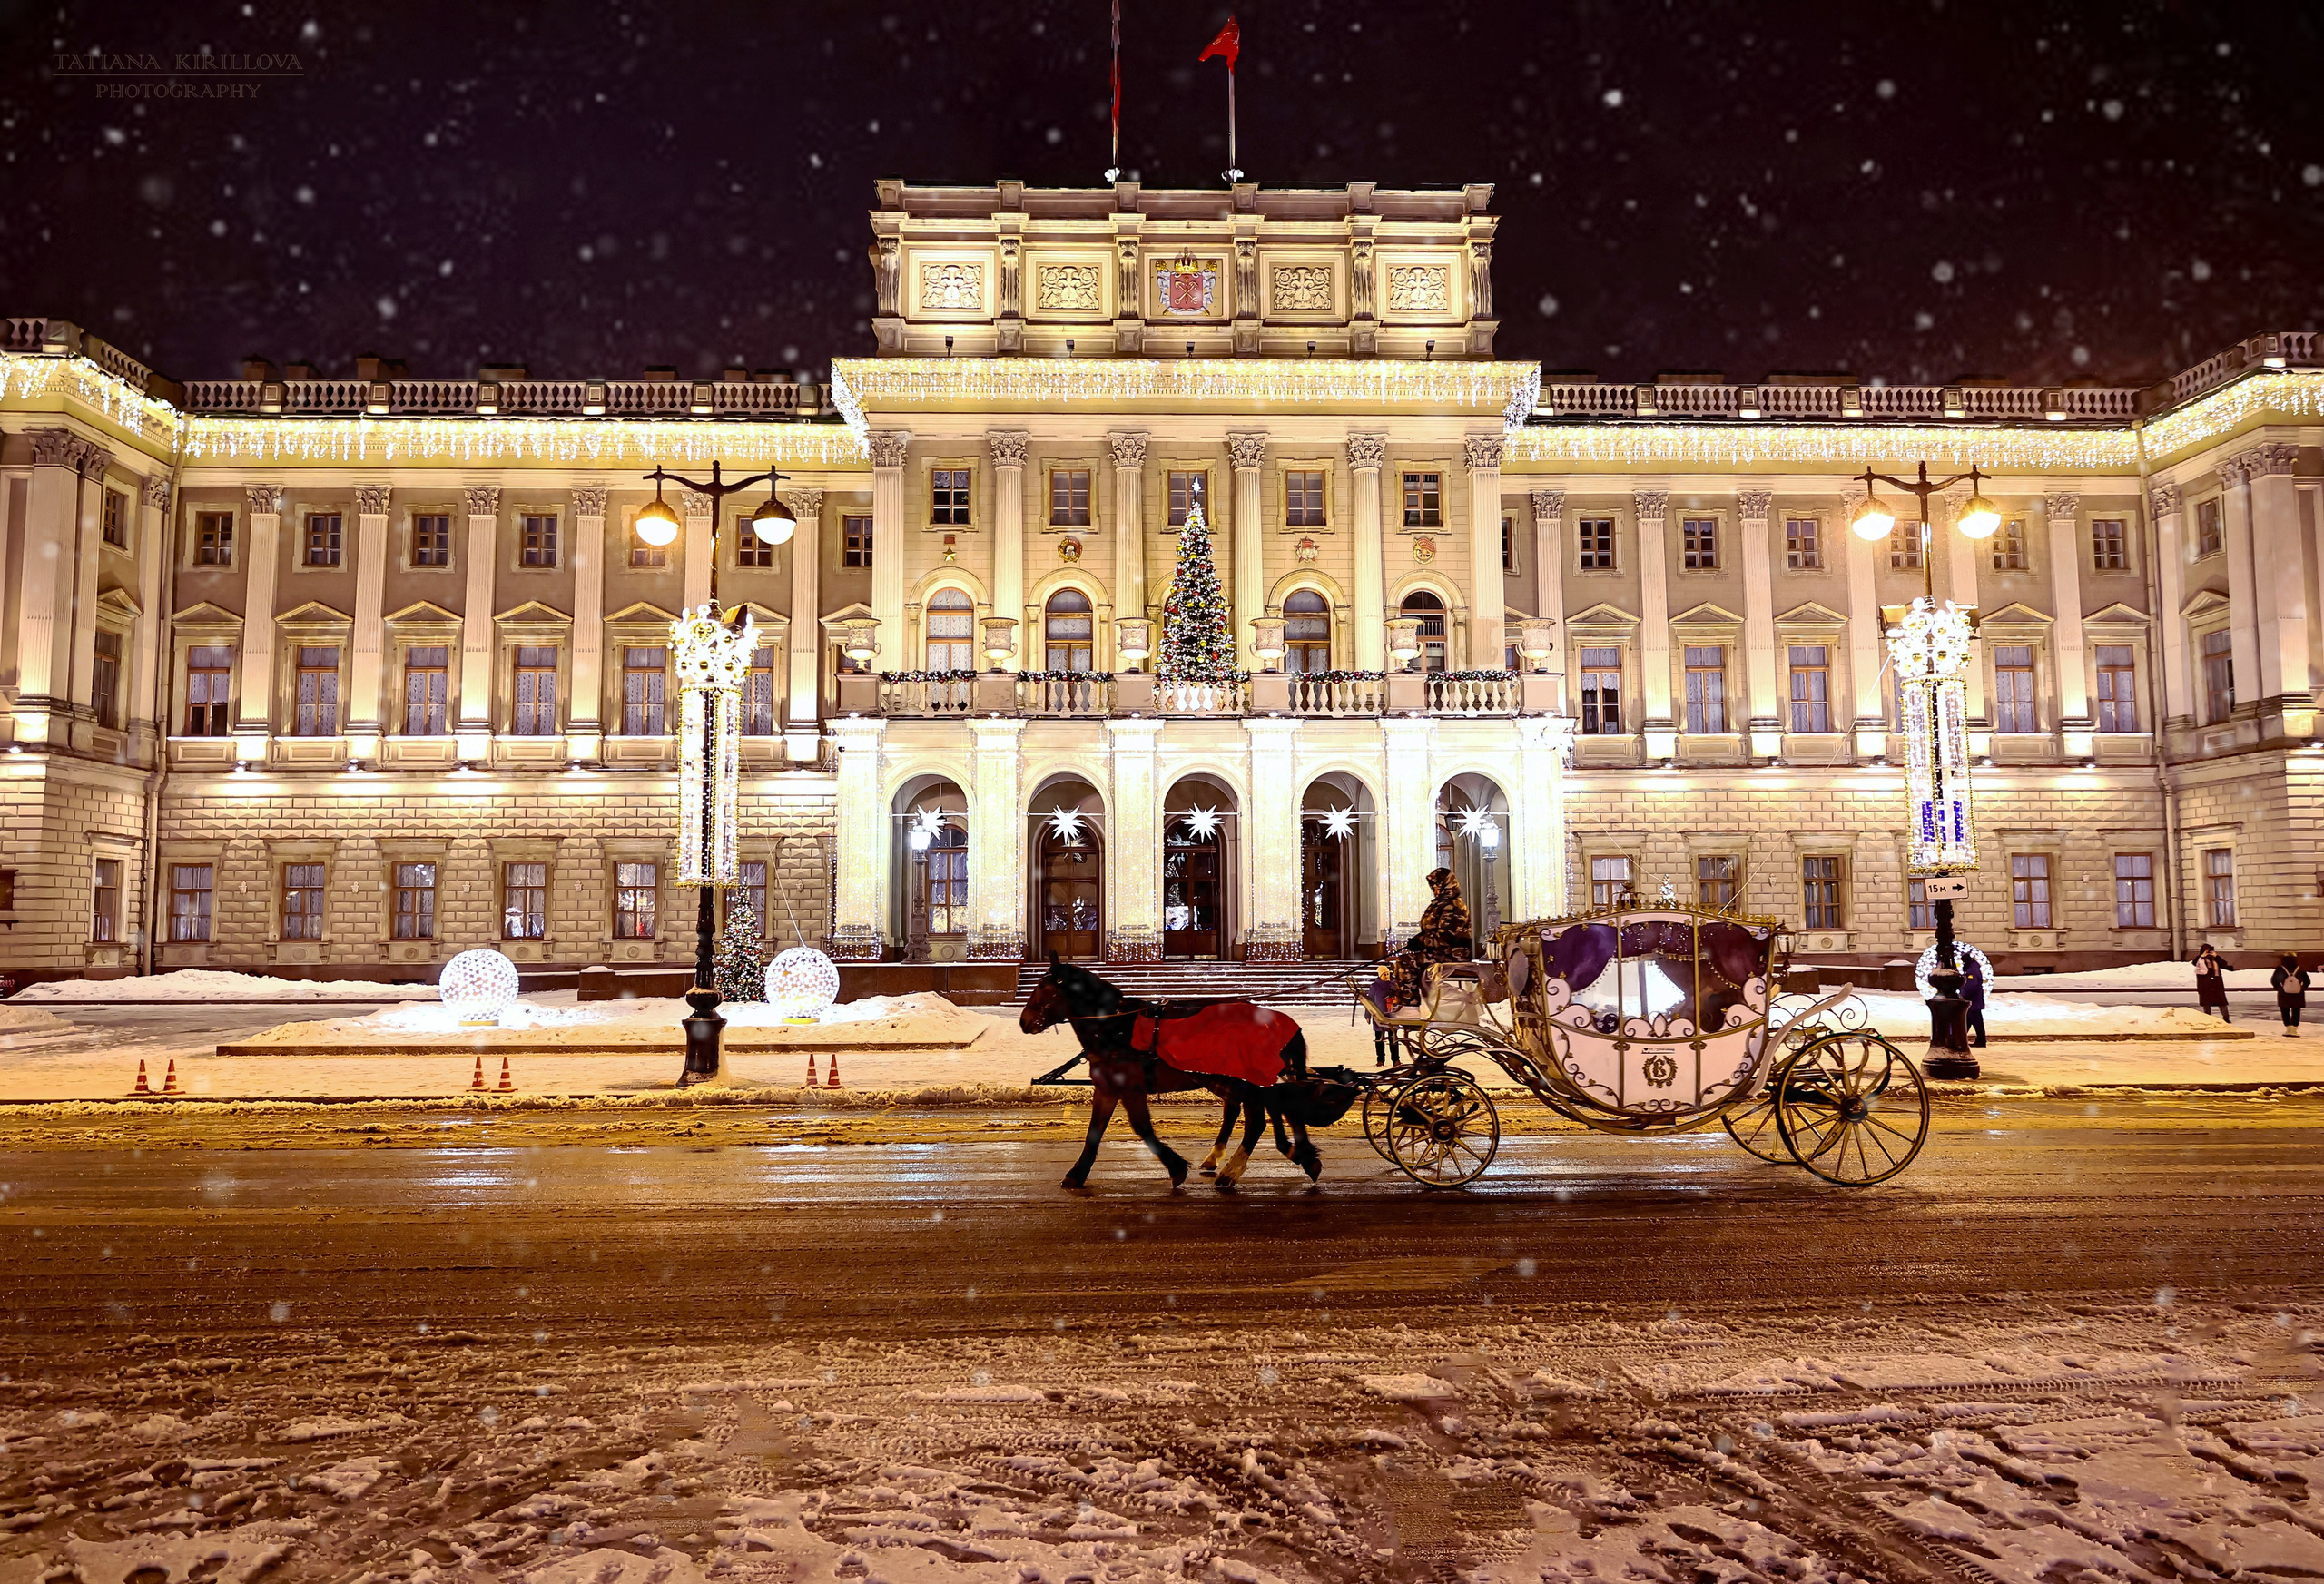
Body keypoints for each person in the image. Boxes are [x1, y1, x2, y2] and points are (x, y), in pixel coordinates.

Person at [1384, 867, 1473, 1008]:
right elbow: (1430, 930)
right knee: (1405, 961)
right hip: (1439, 953)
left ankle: (1410, 1007)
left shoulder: (1454, 906)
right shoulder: (1440, 904)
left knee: (1406, 963)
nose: (1434, 890)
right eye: (1433, 887)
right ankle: (1408, 1003)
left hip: (1452, 955)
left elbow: (1446, 938)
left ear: (1445, 885)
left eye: (1437, 886)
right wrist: (1418, 939)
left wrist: (1420, 942)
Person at [2270, 953, 2310, 1036]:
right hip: (2298, 994)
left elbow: (2274, 980)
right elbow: (2307, 981)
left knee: (2285, 1010)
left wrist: (2279, 988)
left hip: (2284, 994)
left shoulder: (2280, 969)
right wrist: (2302, 988)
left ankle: (2288, 1029)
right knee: (2296, 1010)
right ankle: (2294, 1030)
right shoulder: (2300, 968)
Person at [2193, 944, 2230, 1022]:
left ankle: (2226, 1018)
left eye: (2209, 950)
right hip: (2205, 984)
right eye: (2206, 951)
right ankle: (2207, 1018)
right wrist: (2202, 956)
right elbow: (2194, 963)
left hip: (2216, 983)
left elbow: (2224, 964)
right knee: (2206, 1003)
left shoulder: (2215, 959)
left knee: (2221, 1001)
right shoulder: (2200, 959)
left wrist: (2216, 956)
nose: (2208, 953)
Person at [1960, 953, 1988, 1048]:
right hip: (1974, 1000)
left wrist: (1963, 996)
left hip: (1973, 1001)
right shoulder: (1972, 967)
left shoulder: (1972, 970)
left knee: (1975, 1020)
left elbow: (1971, 985)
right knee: (1969, 1020)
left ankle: (1981, 1040)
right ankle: (1961, 1039)